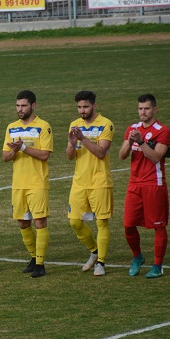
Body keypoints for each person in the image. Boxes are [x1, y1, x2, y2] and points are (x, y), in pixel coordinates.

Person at [118, 93, 170, 279]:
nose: (143, 112)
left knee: (158, 226)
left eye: (147, 108)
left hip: (154, 184)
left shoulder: (162, 130)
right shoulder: (132, 128)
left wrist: (141, 141)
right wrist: (131, 141)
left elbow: (156, 157)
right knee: (128, 225)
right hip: (135, 184)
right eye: (140, 108)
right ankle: (137, 257)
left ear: (155, 109)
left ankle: (157, 265)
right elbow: (122, 155)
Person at [2, 90, 53, 278]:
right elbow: (5, 156)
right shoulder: (11, 128)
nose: (20, 109)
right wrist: (15, 151)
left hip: (37, 182)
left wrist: (23, 147)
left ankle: (40, 264)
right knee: (23, 223)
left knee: (39, 222)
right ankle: (33, 257)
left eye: (23, 105)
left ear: (33, 106)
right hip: (18, 183)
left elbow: (45, 155)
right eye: (18, 106)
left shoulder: (43, 127)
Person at [65, 91, 115, 276]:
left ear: (94, 106)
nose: (82, 110)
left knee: (102, 222)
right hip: (79, 182)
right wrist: (72, 144)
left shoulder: (106, 124)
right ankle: (94, 251)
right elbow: (69, 156)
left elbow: (101, 152)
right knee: (74, 222)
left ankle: (101, 262)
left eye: (85, 107)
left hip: (100, 181)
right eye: (79, 107)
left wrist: (83, 139)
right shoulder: (74, 125)